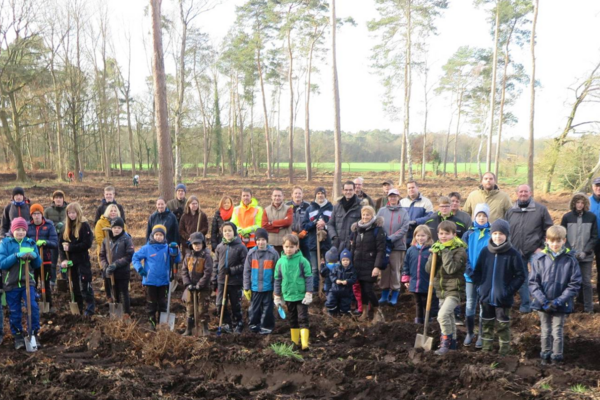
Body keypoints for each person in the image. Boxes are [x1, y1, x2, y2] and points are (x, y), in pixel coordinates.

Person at [471, 219, 525, 355]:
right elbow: (477, 272)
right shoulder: (485, 252)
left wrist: (508, 291)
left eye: (501, 234)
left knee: (503, 326)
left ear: (506, 235)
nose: (497, 236)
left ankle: (504, 352)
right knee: (487, 324)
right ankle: (486, 350)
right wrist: (481, 288)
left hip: (503, 298)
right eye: (495, 233)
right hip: (486, 296)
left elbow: (520, 275)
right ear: (491, 234)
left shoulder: (513, 254)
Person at [530, 225, 582, 365]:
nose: (555, 244)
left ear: (564, 241)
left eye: (558, 241)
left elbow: (574, 284)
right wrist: (543, 301)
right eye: (552, 241)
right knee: (545, 330)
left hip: (561, 303)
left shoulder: (570, 260)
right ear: (547, 240)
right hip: (543, 303)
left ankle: (556, 357)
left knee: (557, 331)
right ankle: (545, 355)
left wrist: (559, 301)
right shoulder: (539, 259)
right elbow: (533, 283)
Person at [505, 184, 553, 314]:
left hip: (535, 251)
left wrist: (542, 247)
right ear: (517, 194)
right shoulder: (510, 211)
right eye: (520, 191)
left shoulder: (541, 210)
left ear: (530, 193)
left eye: (526, 191)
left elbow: (549, 229)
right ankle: (526, 305)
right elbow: (506, 232)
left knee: (539, 278)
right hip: (516, 252)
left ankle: (539, 304)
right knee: (522, 279)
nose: (523, 194)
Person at [425, 220, 467, 356]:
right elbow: (428, 269)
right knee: (448, 317)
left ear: (454, 235)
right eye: (441, 233)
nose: (443, 236)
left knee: (442, 316)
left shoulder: (460, 250)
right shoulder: (437, 248)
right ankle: (453, 345)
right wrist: (433, 255)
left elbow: (451, 269)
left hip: (455, 290)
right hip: (441, 290)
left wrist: (445, 252)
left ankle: (445, 343)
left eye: (447, 234)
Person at [0, 217, 41, 349]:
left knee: (32, 307)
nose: (21, 232)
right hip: (11, 283)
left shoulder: (30, 243)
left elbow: (38, 264)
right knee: (15, 311)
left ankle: (33, 333)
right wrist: (16, 255)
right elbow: (2, 263)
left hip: (27, 282)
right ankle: (18, 336)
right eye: (18, 229)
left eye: (23, 230)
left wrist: (35, 256)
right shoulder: (6, 243)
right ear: (13, 230)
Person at [133, 224, 181, 330]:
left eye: (161, 235)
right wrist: (140, 269)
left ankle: (162, 323)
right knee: (151, 303)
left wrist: (176, 250)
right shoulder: (147, 248)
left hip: (164, 281)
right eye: (156, 234)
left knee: (163, 303)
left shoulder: (167, 248)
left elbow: (177, 260)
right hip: (150, 280)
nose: (158, 237)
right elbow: (135, 258)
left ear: (164, 237)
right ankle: (152, 322)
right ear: (152, 235)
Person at [274, 234, 313, 350]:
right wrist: (277, 295)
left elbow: (308, 277)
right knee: (292, 318)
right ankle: (294, 342)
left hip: (301, 295)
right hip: (288, 295)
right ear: (283, 247)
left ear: (297, 247)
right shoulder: (280, 262)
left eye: (291, 247)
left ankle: (305, 343)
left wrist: (309, 292)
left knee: (303, 318)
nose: (289, 249)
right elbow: (277, 279)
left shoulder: (302, 261)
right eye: (286, 247)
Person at [561, 193, 597, 313]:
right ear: (573, 203)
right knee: (570, 281)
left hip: (586, 256)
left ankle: (589, 309)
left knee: (586, 282)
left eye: (582, 202)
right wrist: (570, 251)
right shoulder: (567, 217)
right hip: (570, 256)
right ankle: (568, 307)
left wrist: (585, 251)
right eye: (578, 202)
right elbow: (563, 237)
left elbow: (594, 237)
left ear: (586, 204)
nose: (580, 205)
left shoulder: (591, 217)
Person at [460, 203, 491, 347]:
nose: (481, 218)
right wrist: (470, 272)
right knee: (470, 303)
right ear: (475, 217)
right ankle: (469, 332)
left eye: (484, 215)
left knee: (483, 305)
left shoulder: (492, 234)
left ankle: (481, 335)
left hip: (485, 277)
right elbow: (464, 255)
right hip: (470, 276)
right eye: (479, 215)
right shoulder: (468, 234)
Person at [350, 205, 387, 324]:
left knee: (368, 289)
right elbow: (353, 246)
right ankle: (365, 312)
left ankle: (377, 312)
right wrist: (351, 262)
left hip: (370, 265)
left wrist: (377, 267)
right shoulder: (357, 229)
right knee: (361, 289)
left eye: (368, 215)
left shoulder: (377, 229)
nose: (365, 217)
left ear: (372, 216)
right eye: (364, 214)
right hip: (358, 264)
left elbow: (381, 250)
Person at [59, 202, 95, 316]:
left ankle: (90, 308)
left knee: (85, 284)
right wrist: (63, 259)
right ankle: (78, 308)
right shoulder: (65, 227)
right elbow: (61, 246)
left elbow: (87, 244)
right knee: (74, 286)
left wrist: (71, 247)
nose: (72, 215)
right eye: (69, 213)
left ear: (78, 213)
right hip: (71, 262)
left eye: (74, 213)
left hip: (82, 260)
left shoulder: (84, 226)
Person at [213, 222, 248, 334]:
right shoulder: (219, 247)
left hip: (235, 281)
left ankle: (238, 323)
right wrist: (214, 279)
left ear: (234, 232)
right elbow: (216, 264)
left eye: (229, 231)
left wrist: (233, 270)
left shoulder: (241, 247)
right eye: (225, 231)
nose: (227, 233)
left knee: (235, 304)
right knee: (220, 304)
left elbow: (245, 265)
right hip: (222, 281)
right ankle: (226, 323)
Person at [376, 188, 409, 306]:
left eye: (395, 196)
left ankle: (395, 293)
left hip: (397, 246)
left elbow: (405, 228)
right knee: (385, 269)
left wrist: (392, 238)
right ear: (388, 198)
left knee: (395, 270)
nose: (393, 198)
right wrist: (383, 238)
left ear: (398, 197)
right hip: (384, 246)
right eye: (391, 196)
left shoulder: (403, 212)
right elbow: (378, 225)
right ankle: (384, 293)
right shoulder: (382, 211)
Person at [243, 228, 279, 334]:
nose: (261, 242)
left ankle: (266, 327)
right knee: (254, 309)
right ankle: (254, 325)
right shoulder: (251, 253)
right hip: (255, 287)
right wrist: (246, 287)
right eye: (258, 240)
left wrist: (276, 289)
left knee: (268, 309)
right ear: (255, 241)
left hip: (268, 287)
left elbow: (277, 273)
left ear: (267, 240)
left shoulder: (273, 253)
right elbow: (246, 271)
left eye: (263, 240)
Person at [402, 225, 438, 323]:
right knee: (418, 302)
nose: (420, 238)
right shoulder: (411, 250)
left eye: (423, 236)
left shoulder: (431, 250)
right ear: (414, 236)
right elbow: (406, 265)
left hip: (427, 281)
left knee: (427, 302)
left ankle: (428, 320)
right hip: (414, 281)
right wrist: (406, 279)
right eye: (418, 236)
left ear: (428, 237)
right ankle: (418, 320)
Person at [27, 204, 58, 313]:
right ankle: (34, 306)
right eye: (34, 214)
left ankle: (49, 305)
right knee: (33, 284)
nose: (36, 216)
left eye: (38, 213)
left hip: (46, 260)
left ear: (42, 214)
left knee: (46, 283)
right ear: (31, 215)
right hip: (32, 261)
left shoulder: (49, 225)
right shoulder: (28, 226)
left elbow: (55, 243)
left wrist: (45, 242)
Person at [99, 217, 134, 315]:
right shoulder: (106, 240)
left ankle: (126, 313)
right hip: (109, 273)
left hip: (122, 272)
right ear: (111, 228)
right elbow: (101, 255)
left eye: (119, 227)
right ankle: (116, 313)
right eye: (115, 227)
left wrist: (116, 264)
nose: (117, 229)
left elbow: (129, 256)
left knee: (123, 293)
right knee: (112, 293)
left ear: (122, 228)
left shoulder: (127, 239)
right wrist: (105, 266)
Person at [180, 232, 213, 336]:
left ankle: (204, 328)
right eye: (195, 244)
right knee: (190, 307)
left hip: (203, 287)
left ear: (203, 244)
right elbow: (184, 270)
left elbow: (208, 272)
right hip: (190, 287)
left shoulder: (206, 257)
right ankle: (189, 328)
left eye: (199, 244)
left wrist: (200, 284)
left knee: (202, 308)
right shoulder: (188, 256)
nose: (197, 246)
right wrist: (187, 284)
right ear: (191, 245)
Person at [303, 186, 333, 293]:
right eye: (318, 193)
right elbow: (304, 226)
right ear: (315, 195)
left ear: (325, 195)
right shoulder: (310, 209)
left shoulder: (331, 208)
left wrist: (325, 225)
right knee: (315, 268)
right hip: (313, 242)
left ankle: (327, 287)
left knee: (328, 266)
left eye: (322, 193)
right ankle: (315, 289)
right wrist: (314, 223)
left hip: (327, 243)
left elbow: (334, 224)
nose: (320, 195)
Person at [95, 204, 124, 298]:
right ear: (107, 212)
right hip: (106, 253)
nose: (113, 212)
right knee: (107, 274)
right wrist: (109, 247)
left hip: (119, 254)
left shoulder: (121, 222)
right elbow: (99, 238)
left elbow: (126, 236)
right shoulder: (100, 223)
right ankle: (109, 297)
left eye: (115, 211)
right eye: (111, 211)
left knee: (118, 276)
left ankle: (117, 296)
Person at [328, 181, 362, 251]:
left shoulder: (360, 206)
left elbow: (364, 225)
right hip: (338, 245)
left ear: (354, 190)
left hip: (354, 245)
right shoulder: (337, 206)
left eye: (350, 190)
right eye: (346, 190)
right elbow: (330, 224)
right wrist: (334, 237)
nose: (348, 192)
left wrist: (356, 238)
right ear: (343, 191)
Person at [44, 190, 68, 286]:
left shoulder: (68, 208)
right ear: (53, 199)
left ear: (63, 199)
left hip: (65, 238)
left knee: (64, 260)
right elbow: (44, 223)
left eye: (60, 198)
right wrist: (53, 226)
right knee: (52, 260)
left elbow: (71, 219)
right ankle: (52, 280)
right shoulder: (48, 211)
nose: (58, 199)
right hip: (52, 238)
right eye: (56, 198)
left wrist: (63, 225)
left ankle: (65, 278)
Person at [400, 180, 434, 246]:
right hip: (404, 235)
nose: (411, 190)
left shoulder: (426, 202)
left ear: (417, 188)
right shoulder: (402, 202)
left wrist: (416, 222)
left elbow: (430, 217)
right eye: (409, 188)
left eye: (413, 187)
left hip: (420, 237)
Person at [325, 248, 356, 316]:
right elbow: (331, 275)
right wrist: (336, 280)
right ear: (341, 260)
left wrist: (347, 281)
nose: (345, 262)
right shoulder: (337, 268)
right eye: (343, 260)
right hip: (335, 290)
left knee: (345, 306)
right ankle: (332, 314)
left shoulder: (352, 270)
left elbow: (354, 279)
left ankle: (343, 316)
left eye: (347, 260)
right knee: (331, 302)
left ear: (350, 260)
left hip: (346, 291)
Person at [262, 188, 293, 255]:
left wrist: (272, 223)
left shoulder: (288, 209)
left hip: (285, 244)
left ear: (283, 197)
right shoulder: (266, 210)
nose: (277, 198)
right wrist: (279, 228)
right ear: (272, 196)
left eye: (279, 196)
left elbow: (288, 222)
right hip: (271, 243)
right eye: (275, 196)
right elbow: (264, 225)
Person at [286, 186, 311, 260]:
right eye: (295, 193)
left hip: (305, 237)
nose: (297, 195)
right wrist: (291, 231)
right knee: (293, 258)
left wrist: (305, 231)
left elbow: (311, 221)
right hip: (291, 237)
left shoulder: (308, 206)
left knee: (306, 258)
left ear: (302, 195)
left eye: (299, 193)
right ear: (292, 195)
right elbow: (285, 220)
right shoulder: (287, 206)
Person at [588, 177, 600, 299]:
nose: (599, 188)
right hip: (589, 241)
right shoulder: (586, 202)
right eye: (597, 185)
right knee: (586, 269)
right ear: (592, 186)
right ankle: (583, 296)